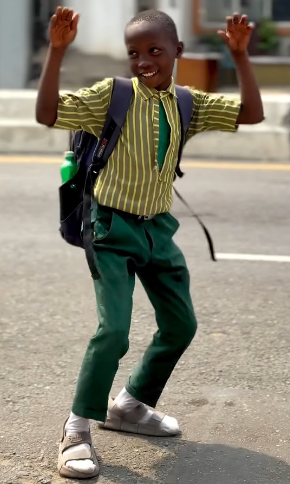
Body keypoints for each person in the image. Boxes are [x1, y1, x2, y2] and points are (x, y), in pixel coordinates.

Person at [36, 6, 263, 480]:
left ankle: (131, 405)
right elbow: (48, 112)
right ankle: (76, 429)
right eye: (134, 53)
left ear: (177, 51)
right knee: (113, 332)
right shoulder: (112, 95)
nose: (144, 61)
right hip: (112, 228)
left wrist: (240, 57)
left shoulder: (186, 103)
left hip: (157, 229)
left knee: (181, 325)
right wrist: (57, 50)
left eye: (155, 51)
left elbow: (251, 114)